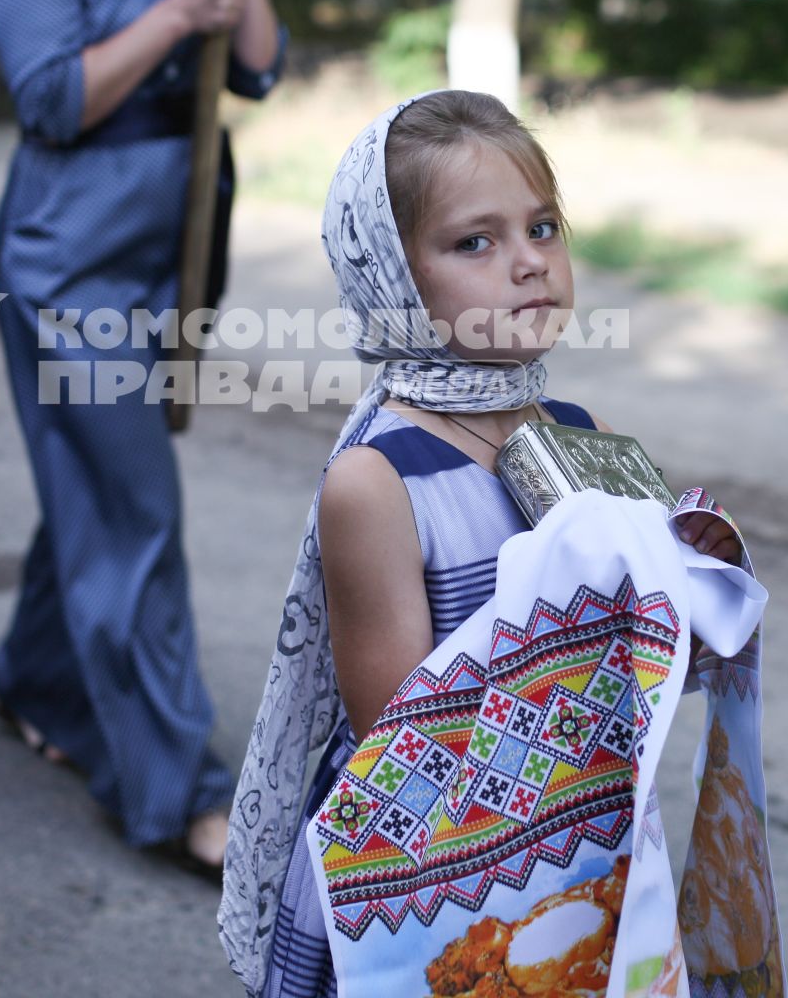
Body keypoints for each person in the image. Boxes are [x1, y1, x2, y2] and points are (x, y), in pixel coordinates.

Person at [218, 91, 745, 997]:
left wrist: (697, 581)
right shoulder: (380, 482)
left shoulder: (590, 438)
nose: (529, 263)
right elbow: (403, 746)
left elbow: (661, 670)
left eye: (542, 227)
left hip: (578, 859)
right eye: (475, 242)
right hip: (430, 900)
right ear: (395, 278)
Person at [0, 0, 283, 873]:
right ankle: (179, 790)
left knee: (97, 492)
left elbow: (259, 61)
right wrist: (175, 12)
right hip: (71, 266)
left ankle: (34, 677)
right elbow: (53, 96)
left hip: (173, 256)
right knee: (136, 511)